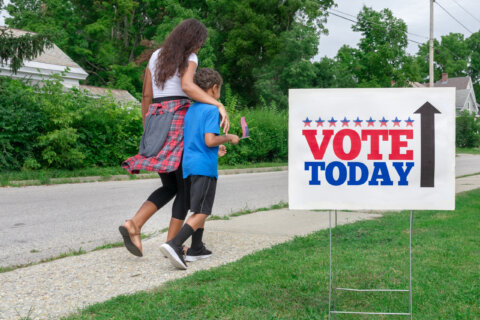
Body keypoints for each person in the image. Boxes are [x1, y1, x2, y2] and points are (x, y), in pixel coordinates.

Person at [119, 19, 229, 257]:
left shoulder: (156, 55)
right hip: (177, 119)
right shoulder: (189, 56)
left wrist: (148, 126)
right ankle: (173, 245)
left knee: (169, 185)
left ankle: (135, 224)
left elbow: (147, 94)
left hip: (155, 117)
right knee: (184, 189)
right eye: (200, 43)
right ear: (193, 40)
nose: (199, 48)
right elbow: (187, 86)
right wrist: (218, 103)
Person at [160, 68, 239, 270]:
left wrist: (216, 148)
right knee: (203, 212)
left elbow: (201, 141)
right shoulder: (212, 109)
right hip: (204, 167)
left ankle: (197, 248)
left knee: (197, 208)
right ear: (214, 89)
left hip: (189, 165)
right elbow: (210, 139)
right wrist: (229, 138)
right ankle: (175, 244)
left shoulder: (192, 109)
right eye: (219, 89)